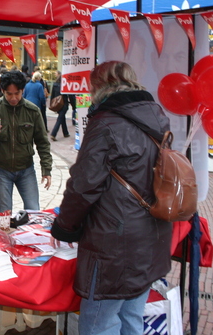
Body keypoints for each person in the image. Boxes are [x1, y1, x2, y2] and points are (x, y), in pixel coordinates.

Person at [51, 61, 172, 335]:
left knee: (99, 324)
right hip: (150, 234)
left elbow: (83, 185)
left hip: (114, 242)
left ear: (100, 86)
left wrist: (64, 226)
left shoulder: (105, 122)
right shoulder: (156, 115)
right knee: (131, 317)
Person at [0, 70, 52, 214]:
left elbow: (42, 142)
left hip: (26, 170)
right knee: (4, 216)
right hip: (1, 170)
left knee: (34, 212)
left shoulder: (32, 111)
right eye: (9, 94)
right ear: (3, 91)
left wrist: (46, 169)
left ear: (23, 90)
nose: (13, 98)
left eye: (17, 93)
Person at [49, 72, 70, 141]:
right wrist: (73, 105)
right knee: (60, 119)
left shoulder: (55, 85)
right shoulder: (65, 85)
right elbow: (70, 96)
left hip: (57, 104)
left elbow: (52, 95)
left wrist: (51, 104)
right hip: (64, 103)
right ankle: (53, 134)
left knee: (62, 117)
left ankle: (66, 133)